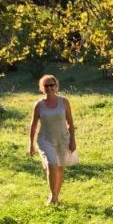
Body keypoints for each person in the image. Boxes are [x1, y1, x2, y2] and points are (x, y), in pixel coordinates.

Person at [29, 74, 78, 205]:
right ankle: (53, 197)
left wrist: (73, 140)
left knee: (60, 167)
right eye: (46, 85)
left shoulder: (64, 102)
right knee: (52, 164)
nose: (49, 88)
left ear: (56, 86)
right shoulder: (39, 105)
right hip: (45, 140)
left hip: (62, 138)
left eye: (52, 85)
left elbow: (70, 123)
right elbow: (33, 125)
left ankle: (56, 195)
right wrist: (31, 145)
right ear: (42, 88)